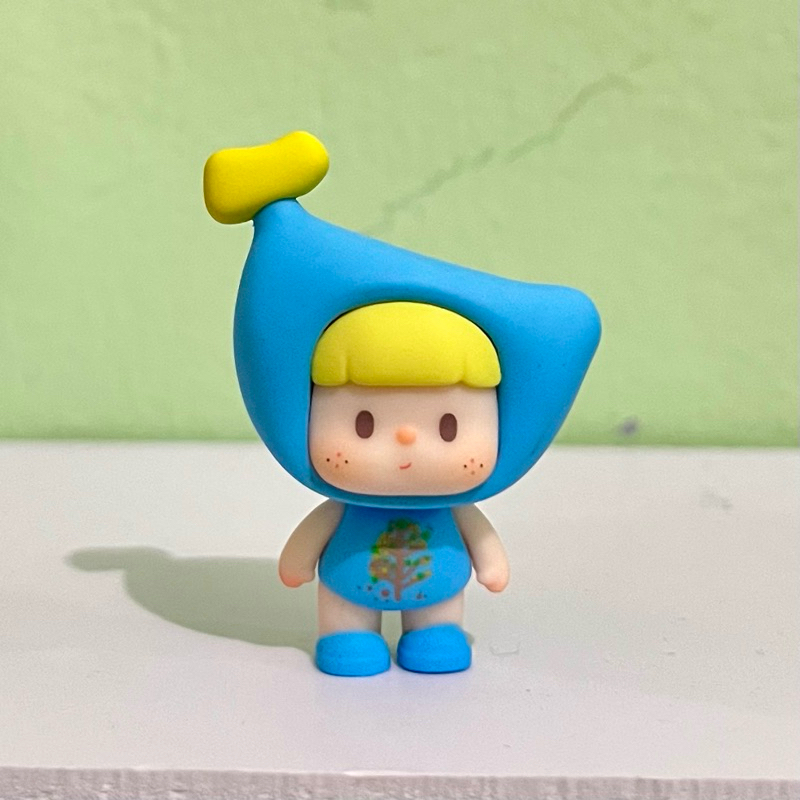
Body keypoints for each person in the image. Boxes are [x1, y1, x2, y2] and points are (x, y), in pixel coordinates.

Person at [204, 131, 601, 676]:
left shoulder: (454, 503)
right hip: (347, 590)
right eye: (363, 424)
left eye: (448, 426)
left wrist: (490, 562)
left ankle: (434, 635)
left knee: (436, 629)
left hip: (434, 592)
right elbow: (310, 539)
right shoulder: (342, 502)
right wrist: (298, 560)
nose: (407, 440)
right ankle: (348, 640)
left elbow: (480, 539)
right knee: (348, 630)